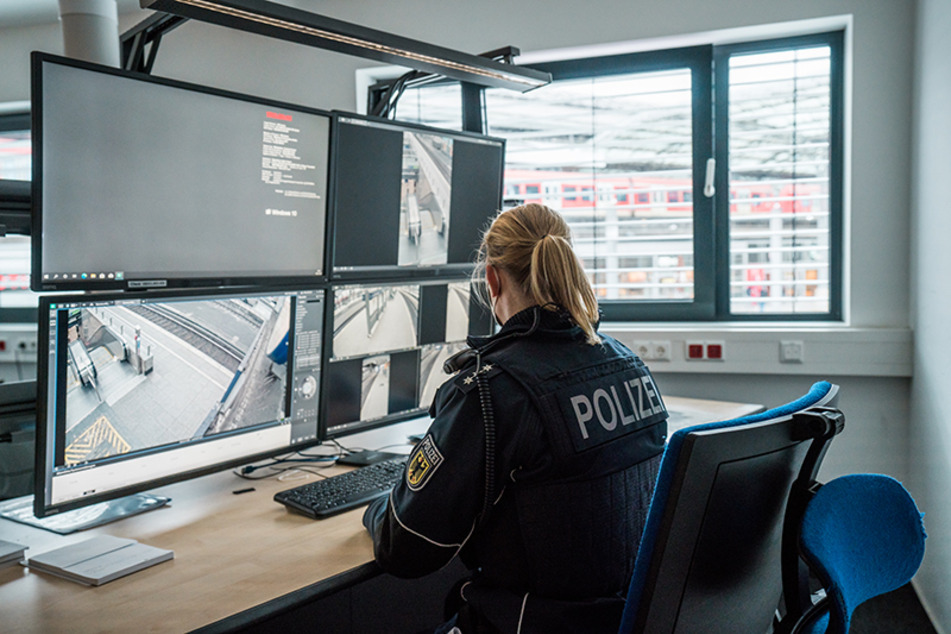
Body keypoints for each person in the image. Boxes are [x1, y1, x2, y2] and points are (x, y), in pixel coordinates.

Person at [363, 203, 668, 633]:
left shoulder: (491, 392)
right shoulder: (628, 364)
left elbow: (405, 549)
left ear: (492, 278)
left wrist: (379, 505)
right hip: (623, 622)